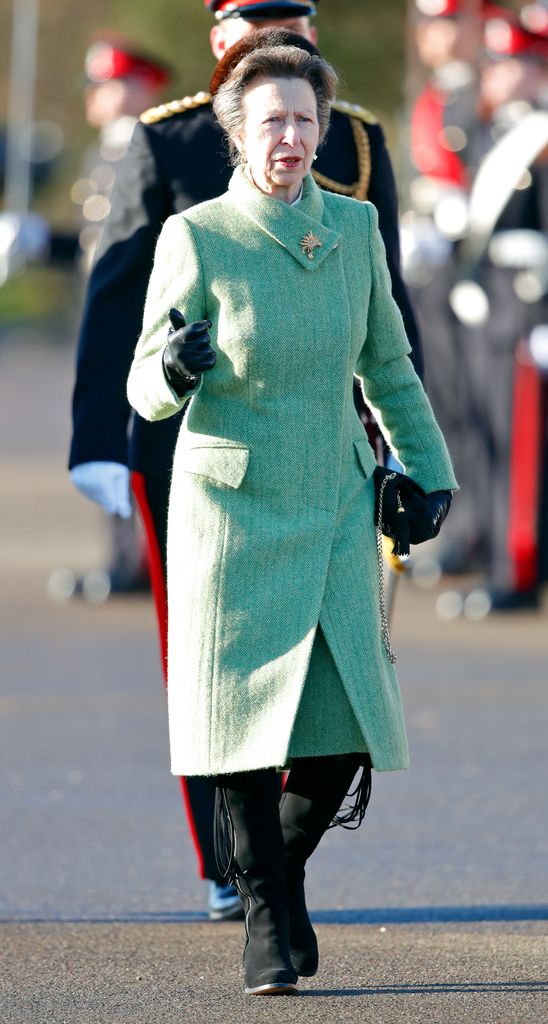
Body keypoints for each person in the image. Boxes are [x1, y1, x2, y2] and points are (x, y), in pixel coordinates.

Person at [69, 0, 422, 920]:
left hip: (331, 447)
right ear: (220, 44)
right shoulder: (169, 140)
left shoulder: (355, 146)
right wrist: (96, 437)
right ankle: (232, 867)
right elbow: (118, 293)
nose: (293, 134)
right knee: (216, 676)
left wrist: (410, 453)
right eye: (251, 30)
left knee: (340, 682)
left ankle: (271, 864)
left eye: (291, 26)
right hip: (201, 445)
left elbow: (388, 325)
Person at [127, 44, 457, 995]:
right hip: (232, 511)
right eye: (272, 120)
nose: (292, 137)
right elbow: (143, 385)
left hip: (339, 502)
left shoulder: (354, 227)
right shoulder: (197, 236)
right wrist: (175, 367)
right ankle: (268, 914)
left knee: (346, 723)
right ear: (237, 133)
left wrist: (431, 477)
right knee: (236, 721)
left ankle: (276, 868)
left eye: (306, 119)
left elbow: (387, 365)